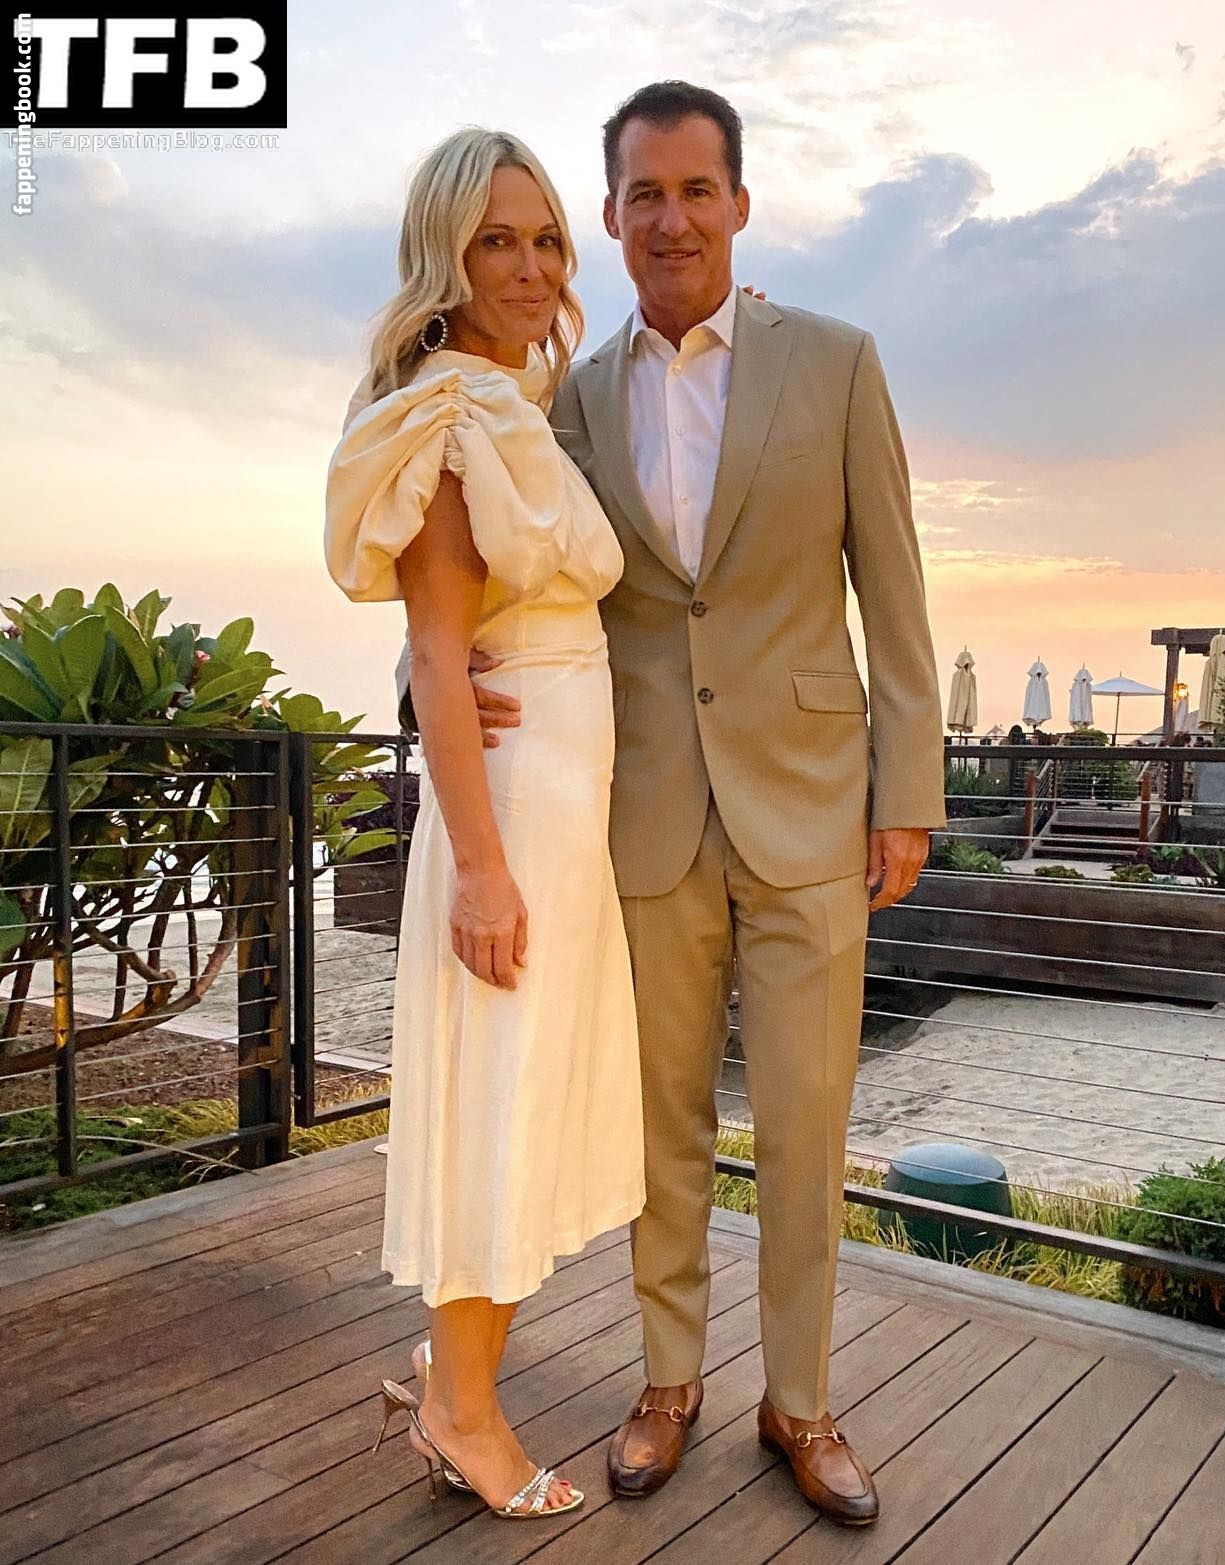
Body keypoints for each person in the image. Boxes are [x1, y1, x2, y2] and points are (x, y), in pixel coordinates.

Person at [404, 81, 946, 1527]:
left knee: (808, 1123)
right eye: (644, 194)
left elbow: (894, 589)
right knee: (663, 1126)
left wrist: (908, 790)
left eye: (697, 190)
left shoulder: (837, 361)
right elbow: (474, 553)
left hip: (816, 807)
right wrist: (425, 673)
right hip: (639, 810)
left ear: (740, 203)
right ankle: (667, 1381)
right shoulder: (560, 396)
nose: (672, 218)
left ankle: (803, 1402)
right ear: (613, 215)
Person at [325, 128, 645, 1520]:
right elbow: (442, 652)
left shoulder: (514, 401)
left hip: (558, 808)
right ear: (444, 259)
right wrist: (482, 871)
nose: (530, 265)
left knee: (526, 1098)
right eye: (496, 241)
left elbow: (453, 648)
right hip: (508, 821)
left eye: (547, 239)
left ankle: (449, 1372)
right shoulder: (452, 421)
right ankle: (462, 1412)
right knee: (501, 1105)